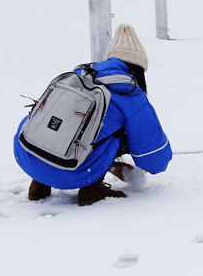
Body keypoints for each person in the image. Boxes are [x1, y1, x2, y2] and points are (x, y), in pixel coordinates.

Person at [14, 24, 172, 206]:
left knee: (66, 124)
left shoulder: (79, 74)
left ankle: (39, 185)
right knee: (115, 133)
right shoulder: (129, 92)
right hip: (73, 174)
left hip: (26, 156)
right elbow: (154, 157)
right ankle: (92, 191)